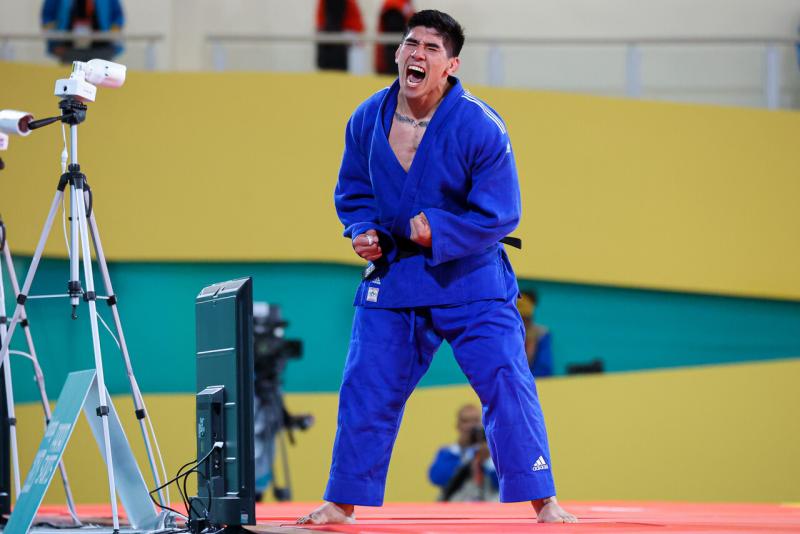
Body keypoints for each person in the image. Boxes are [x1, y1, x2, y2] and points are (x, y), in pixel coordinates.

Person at [298, 10, 576, 525]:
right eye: (411, 43)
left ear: (450, 65)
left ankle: (544, 500)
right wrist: (360, 229)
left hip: (470, 278)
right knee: (366, 386)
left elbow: (502, 211)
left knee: (507, 381)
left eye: (431, 47)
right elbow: (353, 191)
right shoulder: (366, 118)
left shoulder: (480, 125)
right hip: (397, 276)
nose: (418, 53)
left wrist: (441, 230)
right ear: (398, 54)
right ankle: (341, 502)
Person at [428, 404, 499, 502]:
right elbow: (437, 478)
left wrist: (487, 460)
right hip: (455, 511)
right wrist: (468, 454)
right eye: (466, 421)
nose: (471, 426)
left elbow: (503, 485)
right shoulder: (448, 453)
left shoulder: (494, 453)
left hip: (487, 512)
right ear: (458, 425)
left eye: (475, 420)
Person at [41, 0, 124, 64]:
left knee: (101, 81)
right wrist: (54, 44)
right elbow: (48, 18)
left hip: (101, 49)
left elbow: (117, 17)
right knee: (71, 81)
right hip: (69, 49)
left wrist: (113, 43)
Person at [316, 0, 365, 71]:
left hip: (345, 45)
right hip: (329, 45)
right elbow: (320, 24)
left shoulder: (350, 3)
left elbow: (358, 28)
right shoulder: (323, 2)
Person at [518, 289, 554, 377]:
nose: (523, 325)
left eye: (526, 319)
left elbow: (545, 370)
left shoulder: (541, 334)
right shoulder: (506, 336)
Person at [374, 0, 415, 75]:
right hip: (393, 55)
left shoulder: (405, 4)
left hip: (400, 52)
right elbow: (393, 30)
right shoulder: (393, 4)